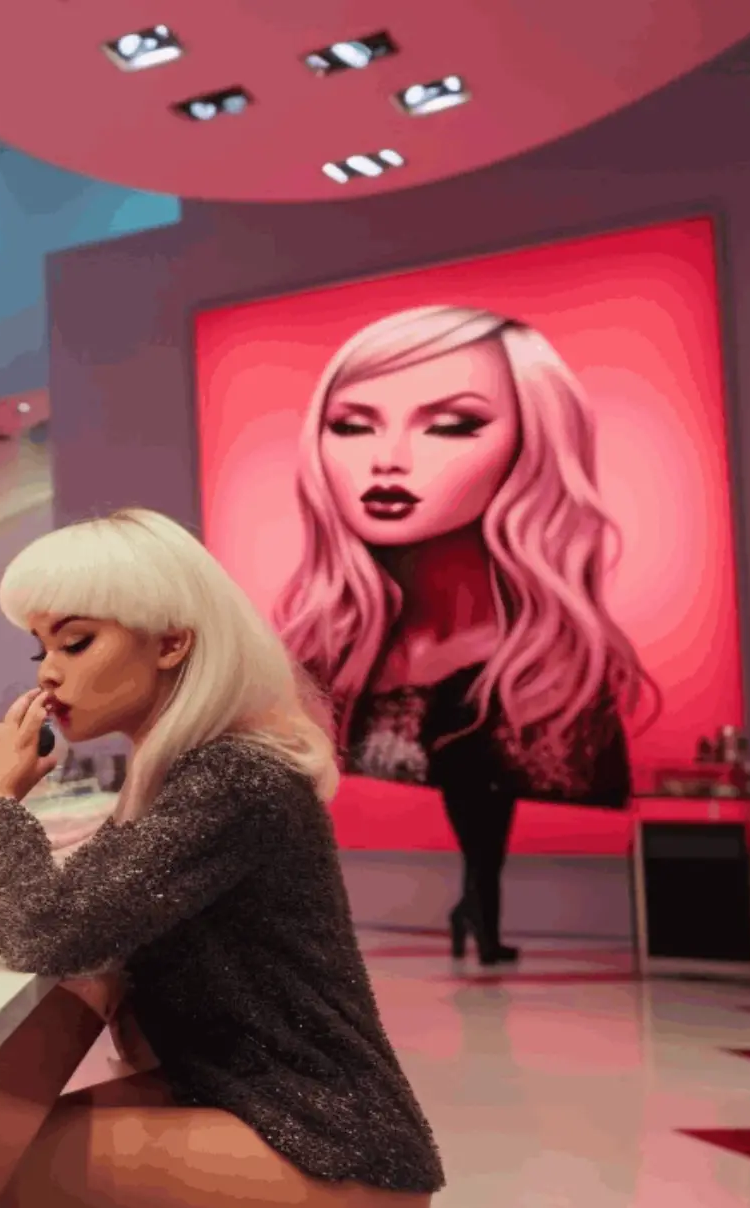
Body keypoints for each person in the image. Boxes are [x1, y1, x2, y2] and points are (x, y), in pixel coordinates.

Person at [0, 509, 444, 1208]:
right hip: (260, 1102)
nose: (48, 671)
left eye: (76, 641)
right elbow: (75, 911)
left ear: (172, 642)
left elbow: (45, 929)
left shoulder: (233, 778)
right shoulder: (190, 770)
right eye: (41, 648)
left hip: (330, 1142)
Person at [272, 304, 652, 961]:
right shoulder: (319, 661)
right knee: (484, 843)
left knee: (484, 843)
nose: (388, 460)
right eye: (353, 426)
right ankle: (477, 923)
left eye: (451, 426)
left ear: (531, 441)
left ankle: (477, 921)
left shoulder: (559, 683)